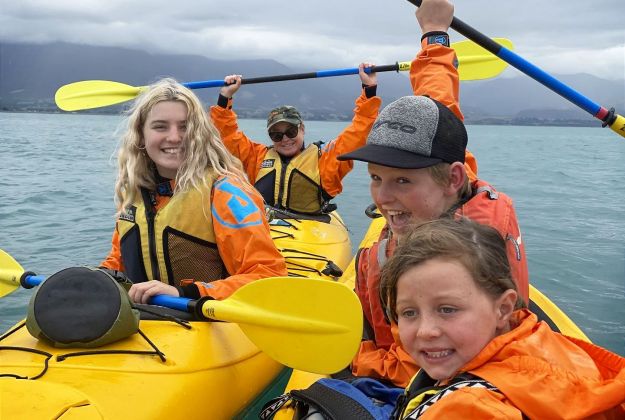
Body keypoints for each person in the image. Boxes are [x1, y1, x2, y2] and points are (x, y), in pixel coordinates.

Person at [337, 0, 529, 388]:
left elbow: (424, 366)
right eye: (376, 177)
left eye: (402, 181)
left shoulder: (460, 256)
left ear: (453, 180)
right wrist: (434, 37)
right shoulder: (452, 175)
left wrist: (358, 360)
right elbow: (439, 104)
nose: (382, 198)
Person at [380, 218, 625, 419]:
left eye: (447, 309)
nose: (425, 331)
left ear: (503, 308)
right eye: (409, 312)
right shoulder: (532, 337)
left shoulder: (468, 409)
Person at [100, 78, 287, 303]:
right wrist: (97, 278)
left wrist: (185, 293)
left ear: (200, 132)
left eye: (185, 126)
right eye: (160, 126)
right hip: (146, 323)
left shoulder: (224, 192)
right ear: (141, 135)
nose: (174, 137)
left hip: (206, 323)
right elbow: (117, 263)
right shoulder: (136, 194)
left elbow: (269, 276)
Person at [209, 64, 381, 214]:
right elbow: (227, 134)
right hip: (266, 227)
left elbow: (359, 131)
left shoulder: (325, 159)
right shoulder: (257, 156)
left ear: (302, 129)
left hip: (308, 231)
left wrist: (369, 88)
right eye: (276, 135)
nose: (285, 139)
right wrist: (225, 97)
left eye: (290, 131)